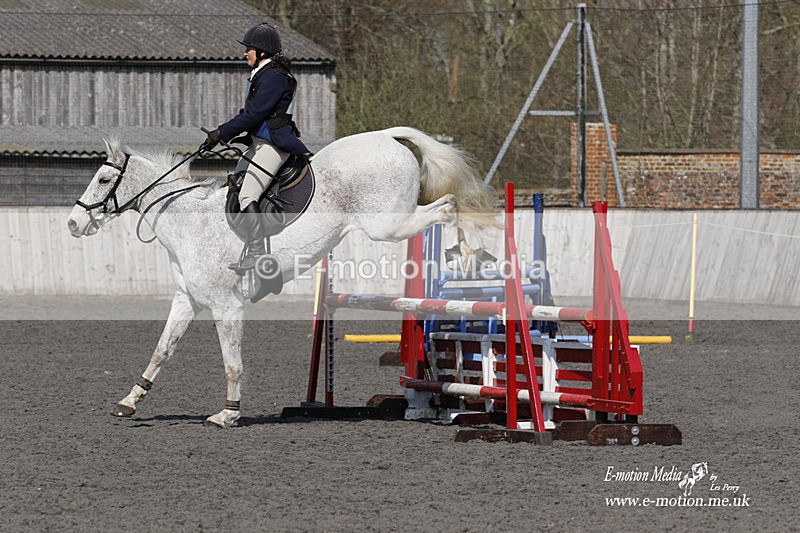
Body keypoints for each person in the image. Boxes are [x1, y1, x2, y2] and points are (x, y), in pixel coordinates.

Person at [202, 22, 309, 271]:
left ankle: (258, 252)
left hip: (273, 144)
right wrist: (219, 135)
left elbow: (254, 115)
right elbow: (250, 114)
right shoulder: (263, 74)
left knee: (248, 194)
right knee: (236, 185)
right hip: (259, 142)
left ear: (262, 51)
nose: (244, 53)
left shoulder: (273, 77)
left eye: (248, 49)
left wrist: (222, 132)